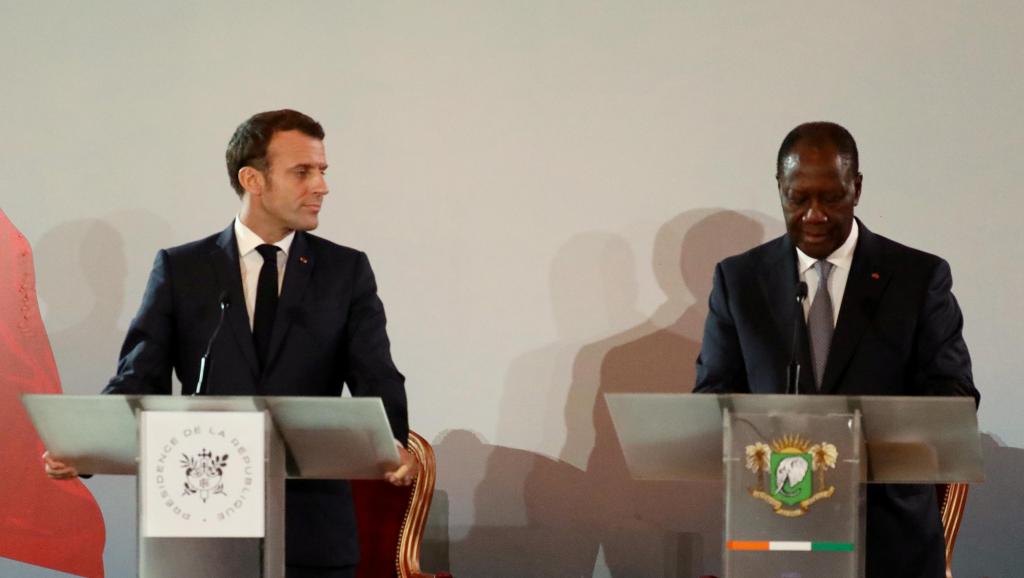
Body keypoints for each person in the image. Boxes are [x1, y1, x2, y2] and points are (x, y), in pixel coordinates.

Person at [44, 109, 416, 578]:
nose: (321, 186)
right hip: (199, 523)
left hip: (310, 531)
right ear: (252, 179)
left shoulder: (345, 271)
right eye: (302, 171)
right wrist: (86, 448)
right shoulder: (183, 270)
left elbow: (375, 373)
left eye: (322, 171)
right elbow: (140, 376)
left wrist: (393, 444)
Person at [693, 121, 978, 578]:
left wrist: (855, 438)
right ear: (780, 190)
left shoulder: (917, 278)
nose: (814, 214)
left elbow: (955, 398)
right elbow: (711, 400)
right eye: (799, 198)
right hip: (775, 533)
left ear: (857, 188)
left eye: (831, 197)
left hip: (888, 543)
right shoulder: (740, 282)